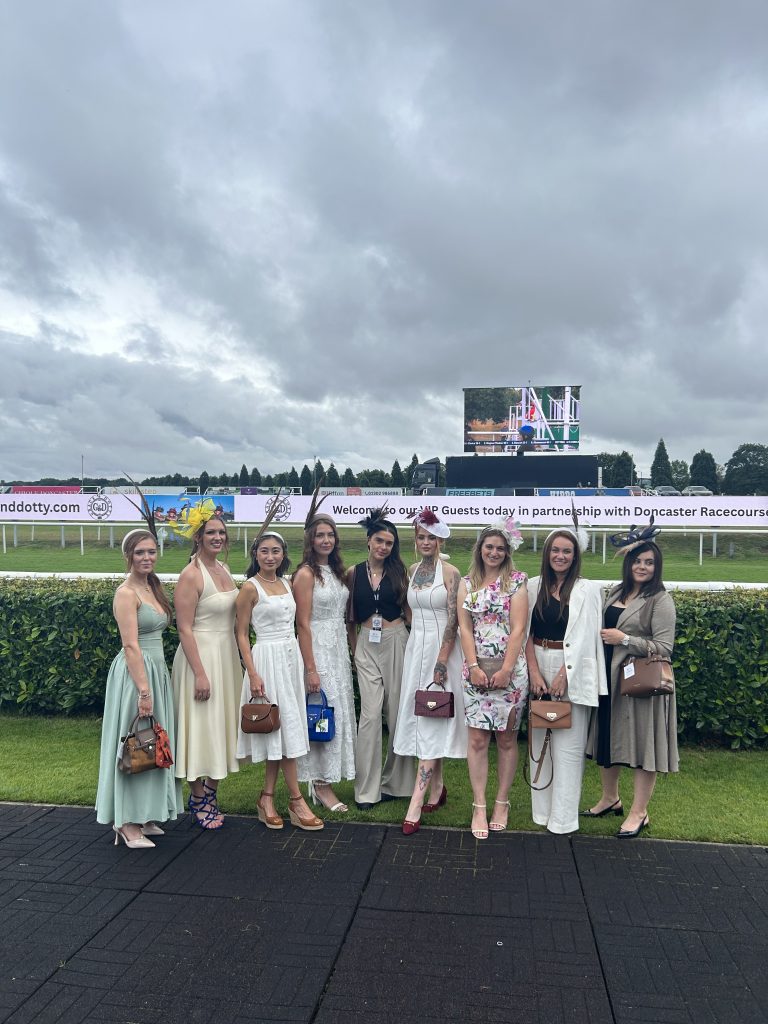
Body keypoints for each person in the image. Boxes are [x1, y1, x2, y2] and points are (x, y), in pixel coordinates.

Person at [584, 525, 677, 837]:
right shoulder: (617, 592)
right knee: (607, 740)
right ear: (629, 563)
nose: (643, 567)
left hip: (641, 685)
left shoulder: (660, 599)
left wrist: (625, 639)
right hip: (610, 678)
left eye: (649, 562)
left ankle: (640, 812)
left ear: (656, 566)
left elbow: (664, 648)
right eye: (638, 561)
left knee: (642, 747)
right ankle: (611, 799)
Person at [96, 529, 183, 848]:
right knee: (134, 743)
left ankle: (145, 814)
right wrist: (144, 692)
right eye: (140, 553)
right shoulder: (125, 593)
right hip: (136, 675)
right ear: (128, 557)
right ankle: (126, 822)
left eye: (151, 552)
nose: (147, 557)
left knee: (152, 743)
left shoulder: (153, 586)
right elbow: (130, 646)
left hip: (156, 670)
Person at [236, 529, 323, 831]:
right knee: (282, 730)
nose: (270, 556)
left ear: (283, 554)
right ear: (256, 554)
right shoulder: (249, 588)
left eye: (276, 551)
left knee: (283, 731)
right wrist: (254, 673)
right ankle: (297, 800)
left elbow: (300, 624)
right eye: (264, 551)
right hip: (266, 661)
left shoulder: (287, 583)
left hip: (289, 658)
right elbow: (241, 634)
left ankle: (267, 797)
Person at [525, 520, 607, 834]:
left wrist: (564, 675)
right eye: (556, 550)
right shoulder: (532, 586)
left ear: (575, 556)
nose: (561, 556)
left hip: (571, 667)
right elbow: (525, 634)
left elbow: (587, 637)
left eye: (567, 551)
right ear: (547, 553)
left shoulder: (588, 590)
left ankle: (562, 819)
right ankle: (541, 813)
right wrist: (534, 671)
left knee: (568, 747)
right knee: (540, 739)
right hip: (537, 664)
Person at [394, 509, 466, 834]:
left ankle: (416, 802)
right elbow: (411, 611)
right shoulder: (411, 570)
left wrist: (442, 658)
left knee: (434, 715)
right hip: (416, 649)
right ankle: (438, 789)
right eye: (421, 537)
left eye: (431, 537)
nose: (426, 542)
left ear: (440, 539)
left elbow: (453, 619)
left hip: (442, 650)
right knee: (422, 715)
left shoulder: (451, 573)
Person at [170, 503, 242, 829]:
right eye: (211, 532)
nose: (217, 537)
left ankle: (211, 791)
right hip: (199, 659)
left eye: (221, 533)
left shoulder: (224, 569)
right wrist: (200, 672)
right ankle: (198, 795)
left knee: (223, 727)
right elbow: (184, 627)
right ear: (198, 536)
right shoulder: (191, 574)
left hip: (226, 659)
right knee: (199, 728)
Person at [457, 520, 529, 839]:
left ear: (507, 550)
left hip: (510, 674)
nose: (494, 552)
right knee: (477, 740)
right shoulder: (466, 583)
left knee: (506, 739)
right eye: (489, 546)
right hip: (475, 672)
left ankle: (502, 802)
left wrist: (506, 669)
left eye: (500, 547)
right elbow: (465, 629)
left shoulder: (516, 582)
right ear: (480, 548)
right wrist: (473, 666)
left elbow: (518, 630)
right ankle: (479, 805)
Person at [347, 506, 414, 809]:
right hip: (366, 645)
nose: (384, 547)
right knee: (370, 716)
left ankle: (396, 783)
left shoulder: (402, 572)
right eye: (379, 541)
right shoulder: (354, 573)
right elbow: (348, 617)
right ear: (369, 541)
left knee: (397, 712)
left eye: (389, 543)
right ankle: (367, 790)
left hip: (396, 639)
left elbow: (412, 613)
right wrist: (354, 649)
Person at [294, 496, 355, 813]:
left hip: (337, 651)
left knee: (336, 714)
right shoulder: (305, 574)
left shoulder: (335, 571)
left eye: (330, 535)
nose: (326, 540)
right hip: (317, 650)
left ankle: (324, 782)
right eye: (320, 535)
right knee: (320, 714)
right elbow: (302, 624)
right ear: (311, 539)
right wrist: (310, 669)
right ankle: (320, 785)